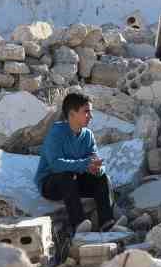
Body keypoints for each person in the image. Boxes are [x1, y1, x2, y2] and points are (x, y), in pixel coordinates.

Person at [35, 91, 116, 233]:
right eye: (86, 112)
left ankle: (107, 222)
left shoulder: (88, 135)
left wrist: (97, 169)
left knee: (103, 178)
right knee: (66, 176)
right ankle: (78, 223)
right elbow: (55, 164)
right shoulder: (56, 133)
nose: (90, 116)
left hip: (75, 182)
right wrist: (85, 164)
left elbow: (94, 159)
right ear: (72, 114)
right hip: (52, 184)